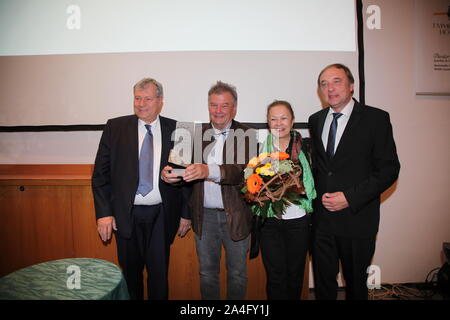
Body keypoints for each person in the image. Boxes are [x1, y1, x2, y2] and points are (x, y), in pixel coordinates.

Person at [92, 78, 191, 300]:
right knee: (130, 276)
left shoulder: (179, 130)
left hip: (162, 215)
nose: (141, 104)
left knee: (159, 277)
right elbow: (100, 175)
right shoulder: (115, 127)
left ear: (160, 101)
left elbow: (187, 179)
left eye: (147, 99)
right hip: (125, 215)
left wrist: (186, 214)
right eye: (137, 98)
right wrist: (104, 214)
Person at [308, 63, 400, 300]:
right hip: (322, 222)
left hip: (357, 219)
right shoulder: (316, 120)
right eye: (324, 83)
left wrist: (349, 198)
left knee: (356, 286)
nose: (330, 88)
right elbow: (321, 168)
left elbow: (389, 169)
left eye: (336, 81)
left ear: (351, 86)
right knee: (323, 285)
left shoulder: (376, 119)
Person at [162, 81, 256, 300]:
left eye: (224, 105)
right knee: (206, 274)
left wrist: (208, 170)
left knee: (238, 274)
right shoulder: (194, 133)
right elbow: (181, 172)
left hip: (236, 216)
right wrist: (169, 175)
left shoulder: (248, 134)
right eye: (214, 105)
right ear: (208, 106)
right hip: (204, 217)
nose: (218, 111)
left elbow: (242, 172)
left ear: (234, 108)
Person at [257, 100, 316, 300]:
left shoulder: (304, 147)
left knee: (295, 275)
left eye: (284, 118)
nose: (278, 123)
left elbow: (312, 182)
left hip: (298, 221)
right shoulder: (260, 150)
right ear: (267, 122)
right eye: (273, 118)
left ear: (292, 121)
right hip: (270, 223)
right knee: (275, 276)